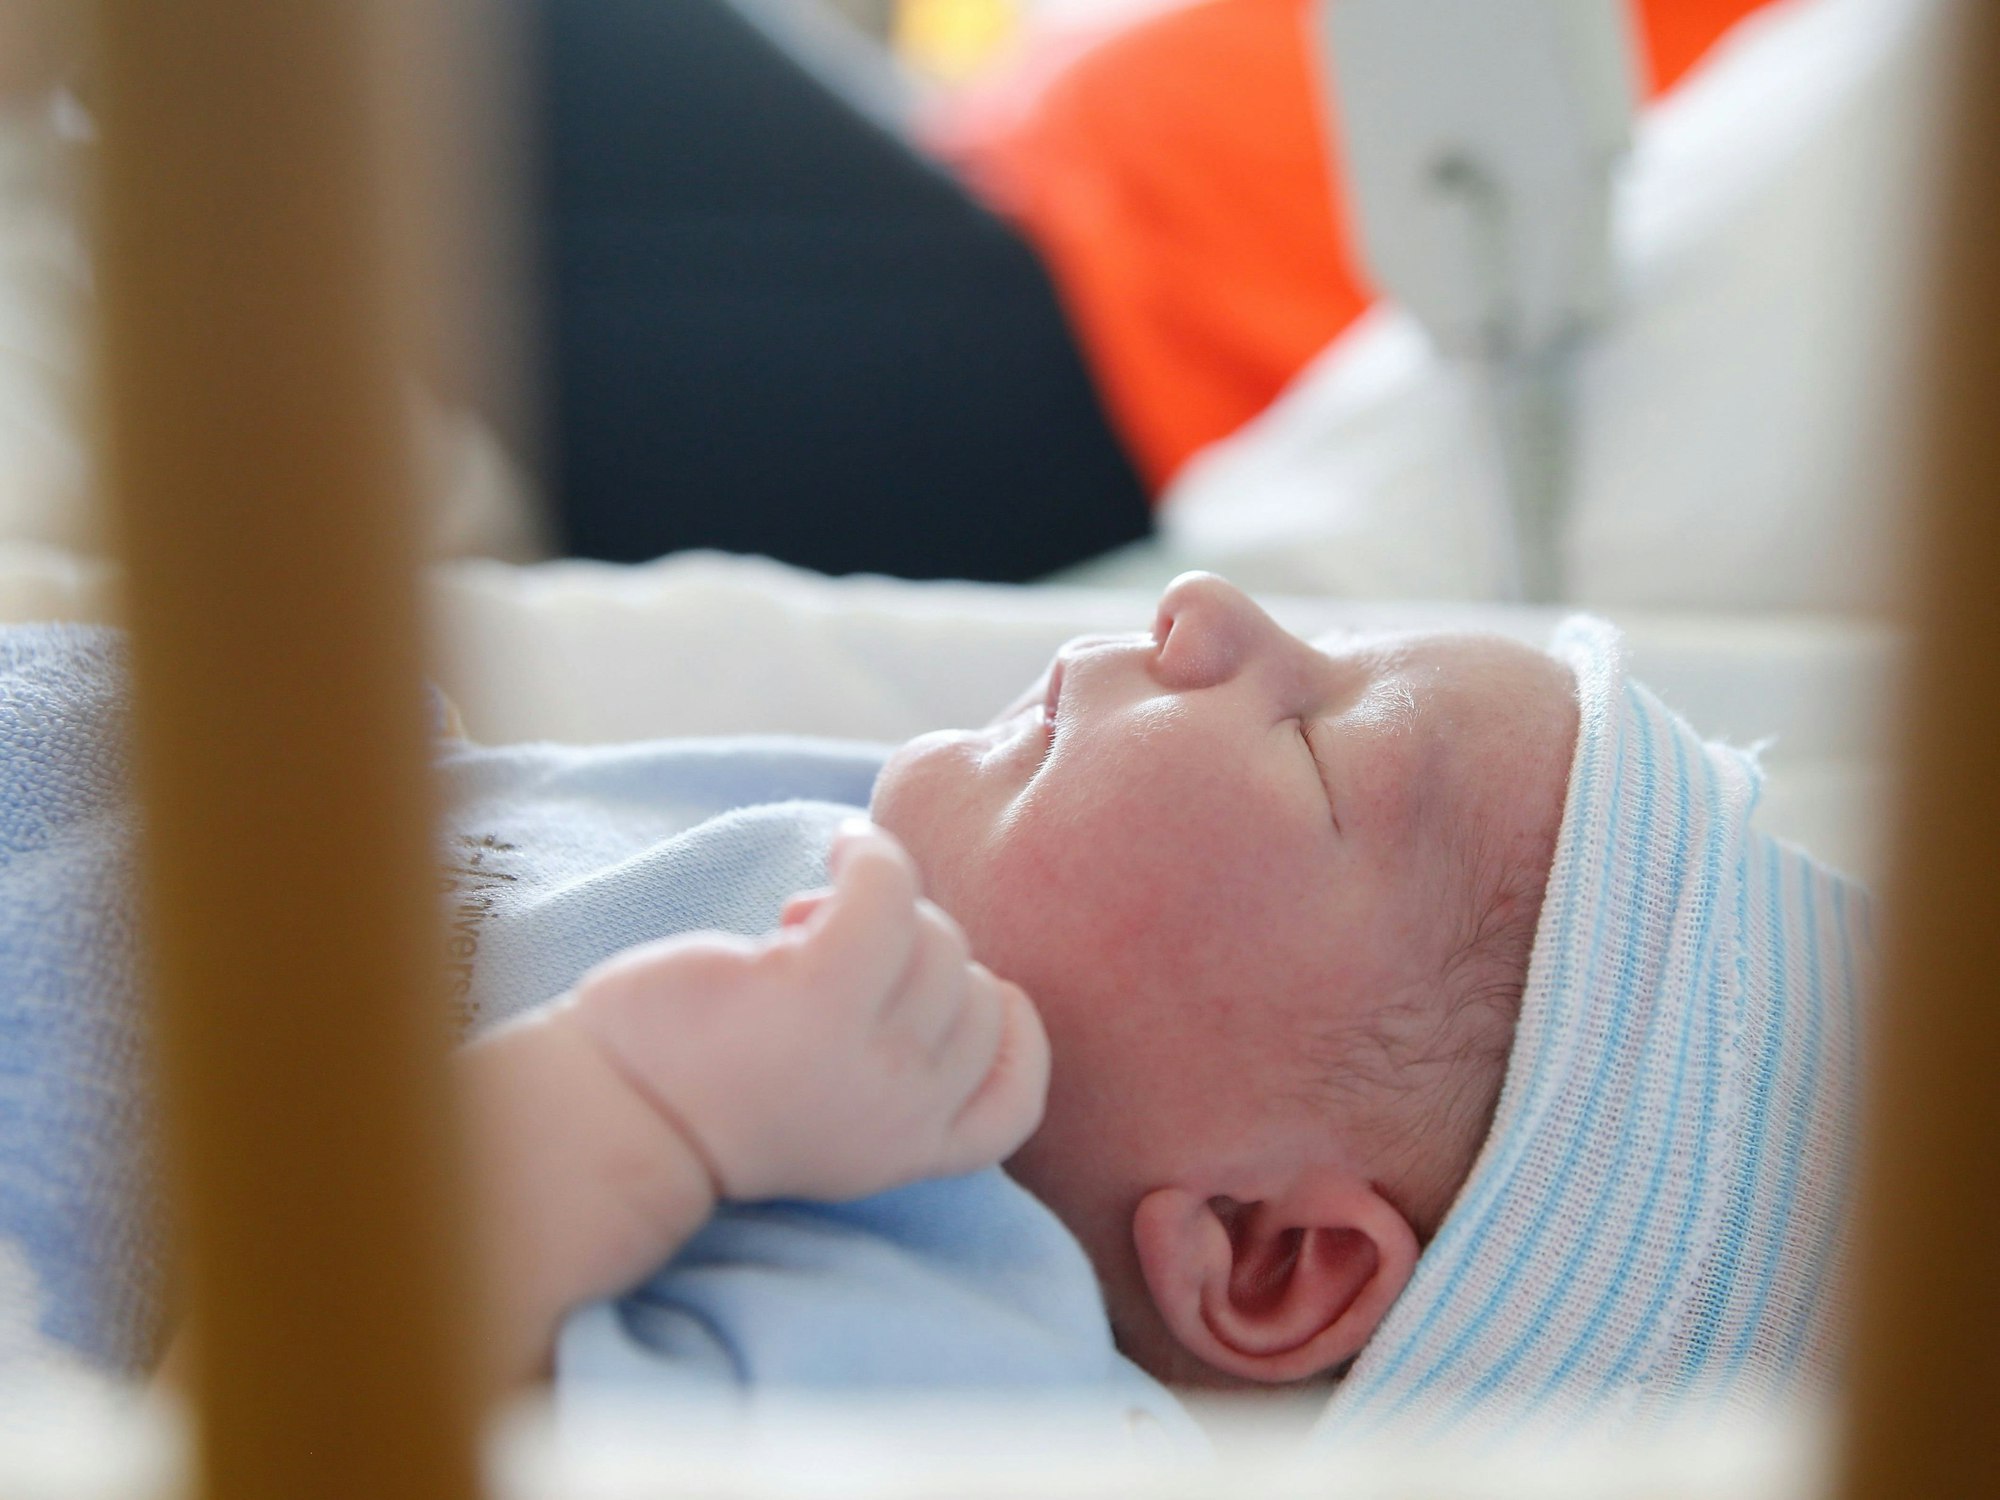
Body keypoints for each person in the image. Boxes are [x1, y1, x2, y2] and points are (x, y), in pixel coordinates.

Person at [0, 575, 1869, 1443]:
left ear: (1273, 1262)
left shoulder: (951, 1355)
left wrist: (649, 1113)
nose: (1212, 613)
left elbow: (283, 1442)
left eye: (1312, 740)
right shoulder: (958, 881)